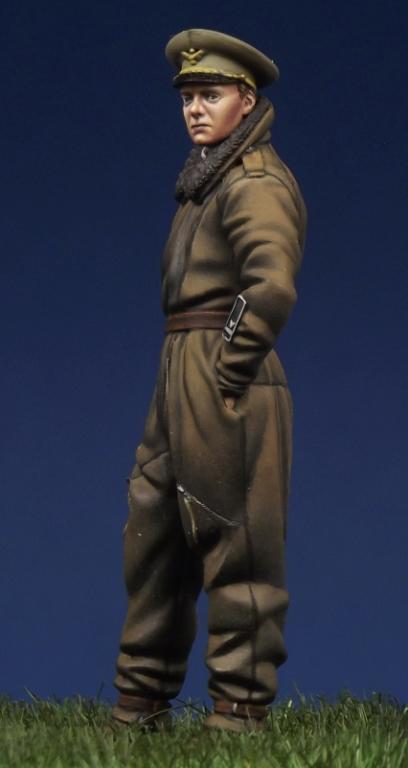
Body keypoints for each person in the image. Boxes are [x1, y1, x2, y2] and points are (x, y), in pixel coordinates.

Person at [112, 28, 307, 733]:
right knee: (154, 532)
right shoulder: (207, 180)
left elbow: (270, 285)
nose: (195, 108)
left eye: (211, 94)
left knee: (237, 540)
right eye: (188, 97)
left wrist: (227, 368)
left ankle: (238, 709)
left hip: (222, 371)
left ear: (245, 100)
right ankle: (140, 700)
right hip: (179, 365)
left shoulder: (254, 182)